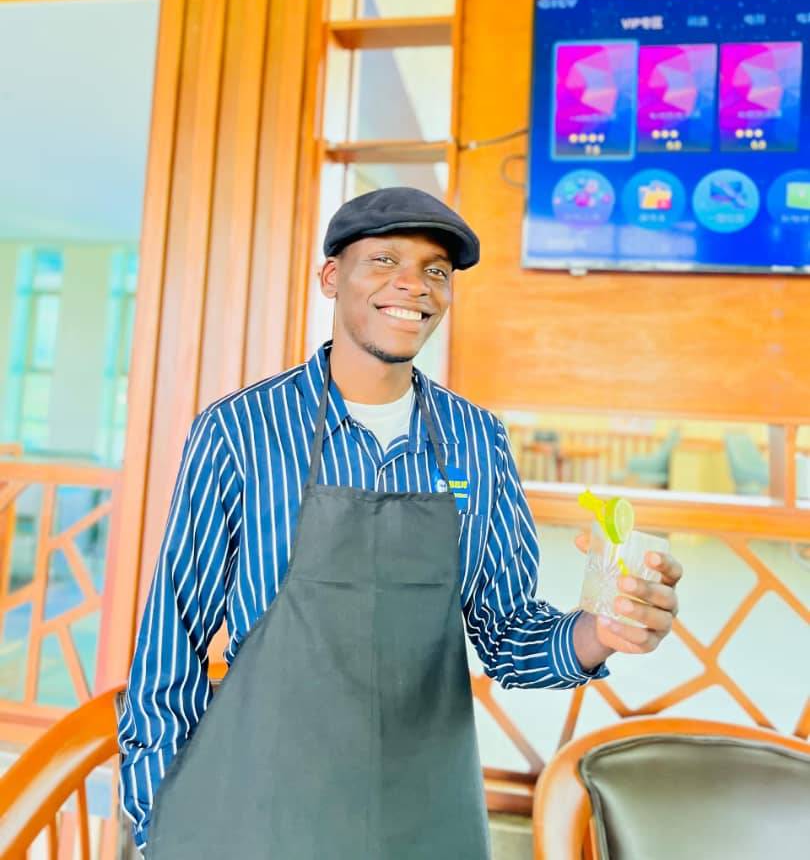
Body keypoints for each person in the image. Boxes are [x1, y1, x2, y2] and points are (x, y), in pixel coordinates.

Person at [118, 186, 682, 858]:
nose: (414, 284)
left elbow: (507, 633)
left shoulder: (477, 442)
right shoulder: (241, 430)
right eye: (385, 260)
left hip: (424, 813)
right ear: (332, 277)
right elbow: (173, 636)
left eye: (436, 270)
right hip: (259, 805)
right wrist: (160, 819)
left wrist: (600, 631)